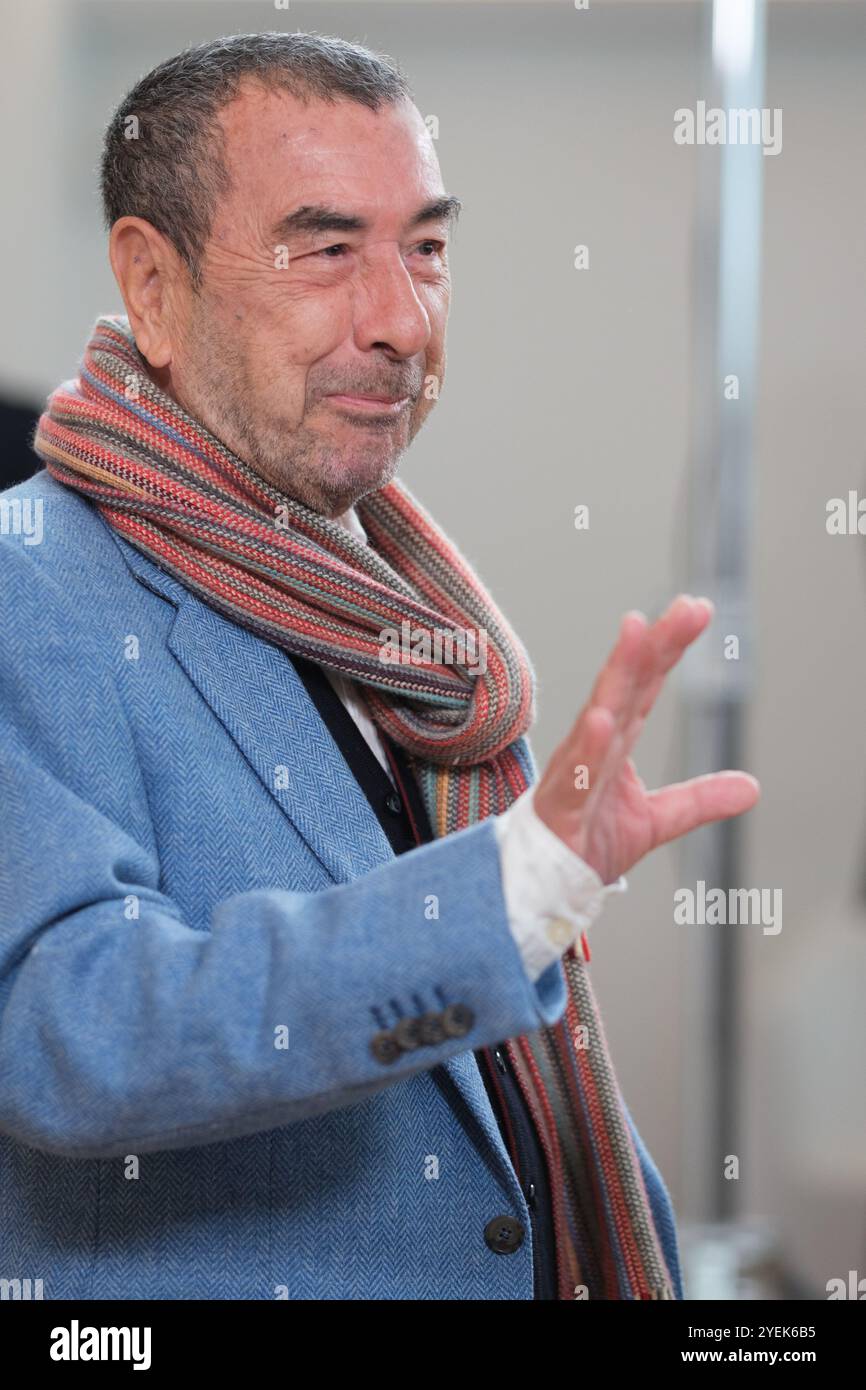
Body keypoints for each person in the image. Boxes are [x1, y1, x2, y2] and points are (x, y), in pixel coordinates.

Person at [0, 32, 759, 1301]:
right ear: (152, 284)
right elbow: (74, 1034)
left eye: (426, 249)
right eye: (326, 247)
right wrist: (510, 896)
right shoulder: (28, 589)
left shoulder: (401, 614)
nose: (402, 321)